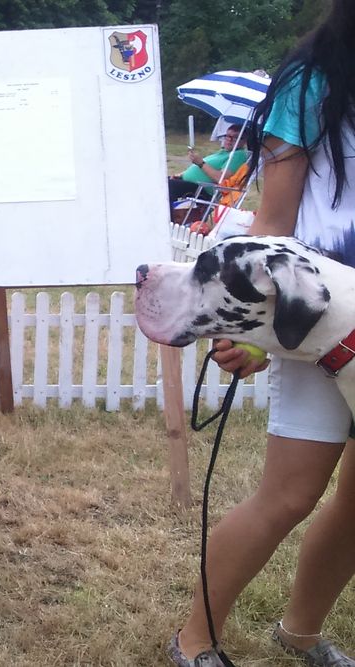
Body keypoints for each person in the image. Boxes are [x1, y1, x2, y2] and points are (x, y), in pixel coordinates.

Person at [168, 1, 355, 665]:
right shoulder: (311, 83)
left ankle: (301, 633)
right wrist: (253, 328)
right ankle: (194, 640)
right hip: (319, 319)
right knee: (289, 495)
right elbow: (272, 223)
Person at [168, 124, 248, 215]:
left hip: (202, 191)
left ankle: (165, 218)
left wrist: (200, 163)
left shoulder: (238, 155)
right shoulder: (223, 152)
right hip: (188, 184)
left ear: (244, 141)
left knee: (166, 187)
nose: (229, 140)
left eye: (235, 138)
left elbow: (221, 179)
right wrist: (181, 175)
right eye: (228, 136)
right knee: (159, 182)